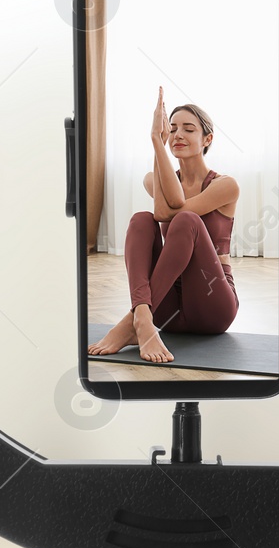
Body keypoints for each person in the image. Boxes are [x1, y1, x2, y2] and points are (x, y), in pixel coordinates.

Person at [87, 86, 238, 364]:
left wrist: (158, 142)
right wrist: (156, 141)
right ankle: (142, 319)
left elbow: (171, 212)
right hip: (165, 312)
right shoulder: (150, 178)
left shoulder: (224, 185)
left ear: (208, 139)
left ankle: (128, 323)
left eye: (189, 129)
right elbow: (158, 213)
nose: (177, 134)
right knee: (140, 220)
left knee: (187, 220)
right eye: (172, 128)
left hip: (212, 302)